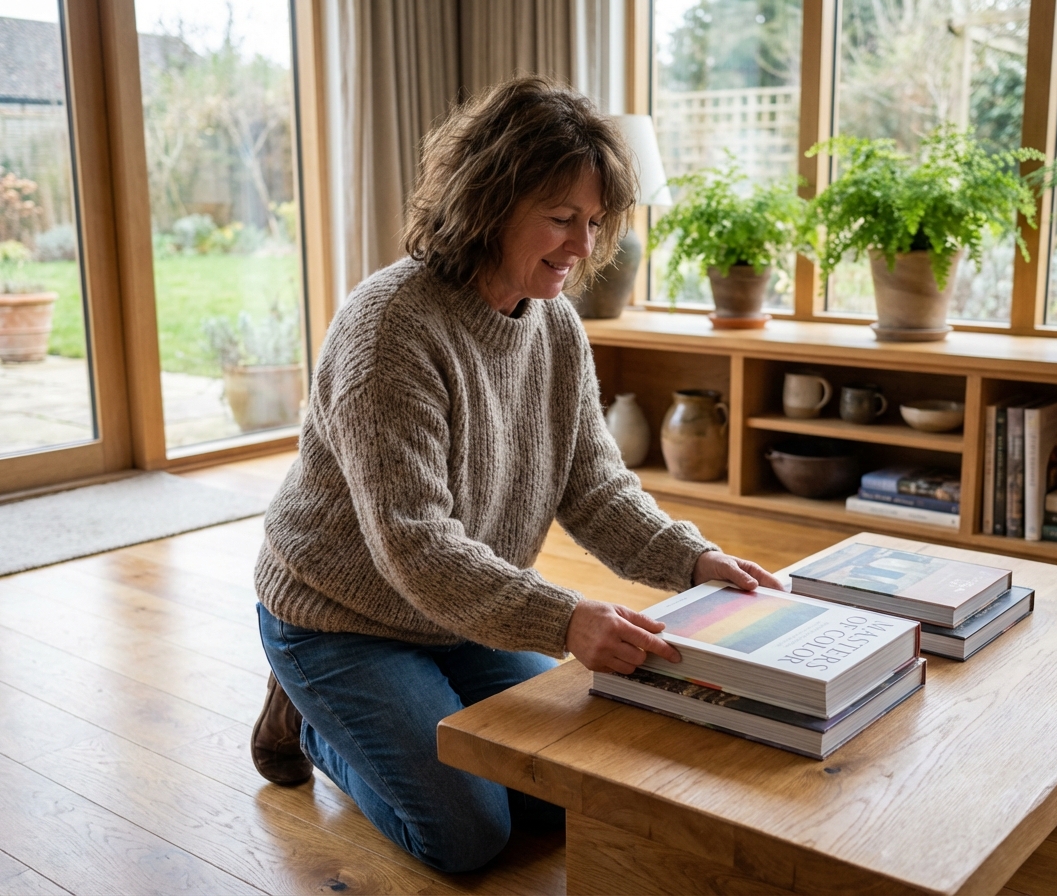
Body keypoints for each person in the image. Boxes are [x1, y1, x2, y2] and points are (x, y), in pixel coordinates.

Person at [251, 75, 783, 874]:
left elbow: (596, 487)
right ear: (488, 202)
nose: (582, 245)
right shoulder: (390, 327)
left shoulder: (557, 326)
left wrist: (694, 561)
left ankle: (396, 708)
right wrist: (569, 619)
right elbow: (418, 546)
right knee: (470, 836)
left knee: (571, 791)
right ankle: (308, 718)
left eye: (595, 222)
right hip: (339, 617)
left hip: (463, 615)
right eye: (562, 218)